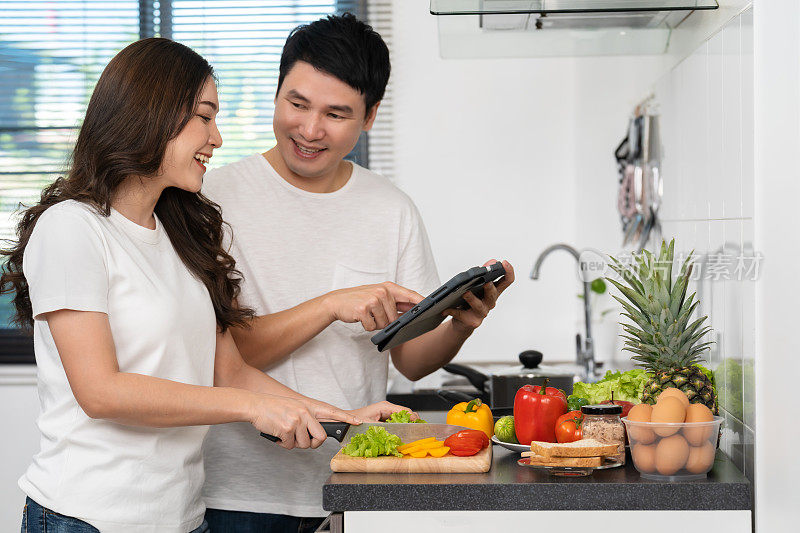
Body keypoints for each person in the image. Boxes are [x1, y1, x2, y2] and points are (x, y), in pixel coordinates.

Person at [0, 37, 409, 533]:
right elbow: (101, 392)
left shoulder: (183, 235)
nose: (216, 138)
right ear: (153, 113)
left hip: (182, 518)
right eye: (205, 116)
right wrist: (253, 409)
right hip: (88, 517)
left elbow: (231, 373)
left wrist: (342, 419)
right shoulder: (73, 227)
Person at [200, 13, 514, 532]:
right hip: (237, 492)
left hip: (354, 485)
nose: (310, 129)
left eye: (337, 114)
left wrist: (460, 323)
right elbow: (228, 359)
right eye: (296, 104)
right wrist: (329, 305)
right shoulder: (213, 200)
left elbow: (411, 361)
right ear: (276, 93)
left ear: (369, 117)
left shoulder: (390, 209)